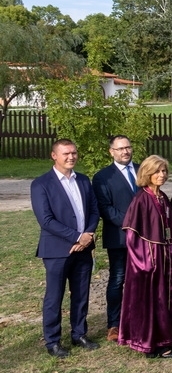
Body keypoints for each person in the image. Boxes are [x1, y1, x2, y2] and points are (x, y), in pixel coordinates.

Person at [31, 139, 100, 358]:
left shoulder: (83, 180)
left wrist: (87, 235)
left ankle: (79, 334)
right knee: (54, 297)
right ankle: (52, 341)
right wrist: (77, 237)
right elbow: (46, 220)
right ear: (54, 156)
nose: (71, 157)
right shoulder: (41, 184)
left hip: (84, 248)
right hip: (57, 251)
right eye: (66, 153)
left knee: (81, 293)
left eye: (74, 152)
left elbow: (94, 210)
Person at [118, 156, 172, 358]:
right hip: (149, 260)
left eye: (164, 171)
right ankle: (151, 344)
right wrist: (144, 262)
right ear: (147, 174)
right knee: (153, 300)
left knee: (166, 298)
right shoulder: (141, 199)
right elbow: (132, 236)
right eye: (157, 171)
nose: (161, 175)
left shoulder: (162, 197)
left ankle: (167, 338)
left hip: (166, 256)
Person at [91, 135, 139, 343]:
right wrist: (132, 222)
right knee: (118, 279)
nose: (125, 152)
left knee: (142, 278)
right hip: (119, 236)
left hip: (145, 237)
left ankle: (139, 318)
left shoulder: (143, 170)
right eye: (120, 149)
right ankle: (114, 323)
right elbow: (105, 208)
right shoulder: (103, 177)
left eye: (127, 147)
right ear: (111, 152)